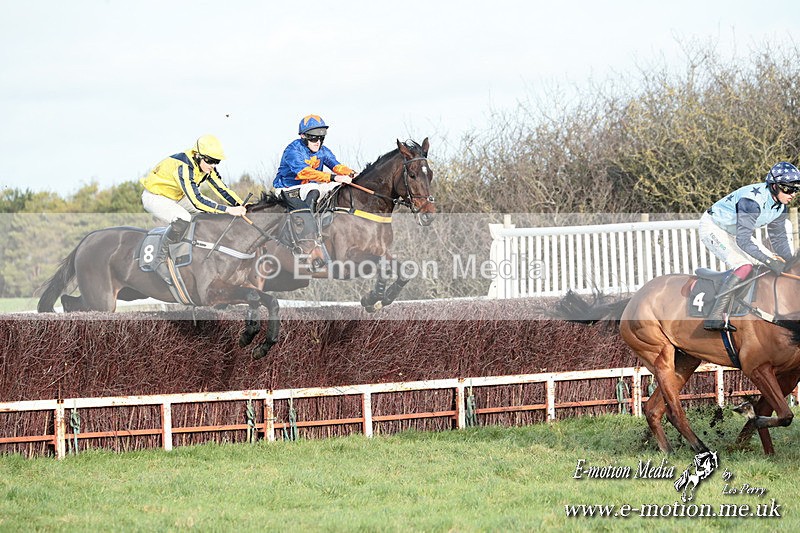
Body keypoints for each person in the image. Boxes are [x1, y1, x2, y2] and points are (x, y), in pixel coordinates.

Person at [698, 161, 800, 331]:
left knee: (776, 259)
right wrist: (768, 260)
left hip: (736, 232)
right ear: (774, 186)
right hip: (714, 227)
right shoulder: (751, 202)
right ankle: (715, 314)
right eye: (788, 189)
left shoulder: (781, 207)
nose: (793, 194)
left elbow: (779, 238)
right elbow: (743, 241)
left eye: (796, 190)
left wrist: (789, 264)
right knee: (744, 266)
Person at [140, 134, 247, 269]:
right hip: (155, 197)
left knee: (214, 213)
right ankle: (160, 261)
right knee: (184, 218)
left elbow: (221, 189)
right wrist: (228, 209)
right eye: (210, 161)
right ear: (198, 155)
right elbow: (197, 201)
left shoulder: (206, 166)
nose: (213, 165)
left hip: (177, 197)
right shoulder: (184, 167)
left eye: (217, 162)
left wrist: (240, 204)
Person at [273, 115, 357, 266]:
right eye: (313, 138)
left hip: (310, 187)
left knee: (339, 188)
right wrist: (333, 177)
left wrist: (351, 173)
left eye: (321, 137)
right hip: (288, 188)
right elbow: (303, 173)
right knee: (315, 188)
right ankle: (307, 235)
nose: (318, 142)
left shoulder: (323, 150)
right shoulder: (293, 150)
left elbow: (336, 166)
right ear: (303, 136)